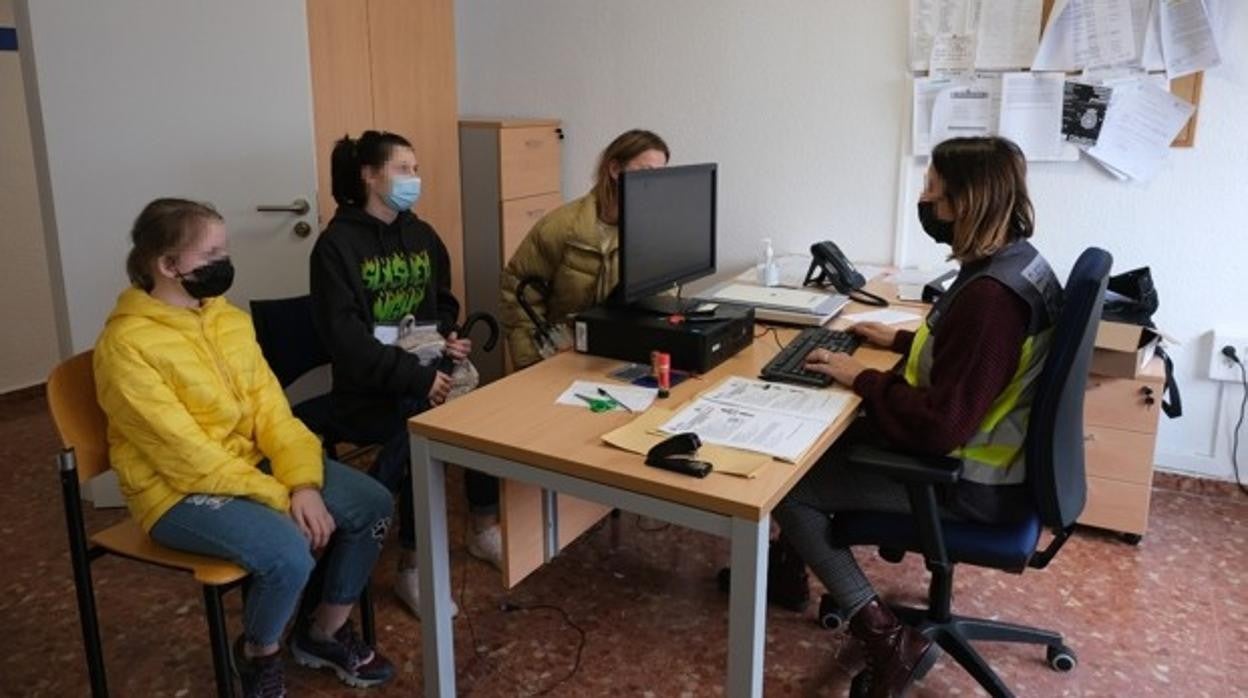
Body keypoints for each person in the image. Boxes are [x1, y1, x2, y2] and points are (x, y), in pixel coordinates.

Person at [773, 136, 1062, 698]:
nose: (924, 199)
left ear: (966, 200)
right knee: (832, 433)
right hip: (991, 464)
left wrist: (862, 376)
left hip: (968, 483)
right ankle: (788, 574)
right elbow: (975, 361)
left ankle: (886, 638)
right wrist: (900, 339)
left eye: (932, 189)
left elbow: (941, 424)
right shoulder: (1014, 263)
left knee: (790, 489)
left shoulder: (990, 300)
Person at [94, 198, 396, 697]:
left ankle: (321, 632)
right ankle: (259, 654)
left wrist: (302, 481)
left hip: (245, 468)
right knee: (288, 549)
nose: (224, 264)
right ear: (167, 265)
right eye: (211, 254)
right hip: (173, 492)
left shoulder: (227, 319)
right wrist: (283, 498)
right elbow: (183, 454)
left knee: (372, 502)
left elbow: (272, 411)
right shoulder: (126, 346)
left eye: (224, 250)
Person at [309, 130, 495, 617]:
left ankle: (483, 527)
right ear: (369, 176)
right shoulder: (335, 248)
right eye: (404, 169)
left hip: (426, 371)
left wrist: (450, 338)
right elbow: (347, 343)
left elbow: (444, 303)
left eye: (416, 169)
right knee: (420, 437)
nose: (416, 178)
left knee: (479, 411)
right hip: (368, 393)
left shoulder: (421, 235)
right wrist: (416, 380)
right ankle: (412, 568)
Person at [499, 129, 669, 369]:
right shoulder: (562, 227)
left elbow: (662, 293)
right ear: (615, 170)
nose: (655, 186)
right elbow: (516, 289)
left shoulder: (650, 230)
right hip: (564, 355)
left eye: (661, 176)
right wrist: (533, 360)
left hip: (618, 350)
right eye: (646, 174)